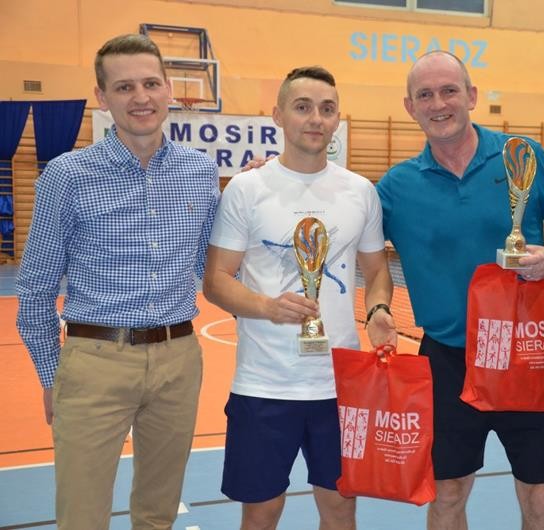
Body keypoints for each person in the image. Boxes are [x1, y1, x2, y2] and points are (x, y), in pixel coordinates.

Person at [15, 34, 219, 529]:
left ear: (169, 89)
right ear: (102, 97)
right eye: (124, 87)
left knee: (157, 515)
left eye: (151, 83)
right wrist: (52, 377)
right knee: (82, 517)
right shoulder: (67, 175)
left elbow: (209, 266)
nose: (141, 97)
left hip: (178, 360)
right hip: (94, 364)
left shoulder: (200, 171)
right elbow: (35, 290)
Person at [376, 51, 544, 530]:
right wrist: (271, 174)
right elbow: (345, 230)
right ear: (410, 107)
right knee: (447, 494)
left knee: (541, 494)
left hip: (527, 357)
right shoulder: (395, 187)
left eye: (449, 91)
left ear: (471, 96)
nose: (439, 104)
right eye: (425, 95)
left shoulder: (521, 156)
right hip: (447, 362)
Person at [203, 66, 395, 530]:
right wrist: (268, 308)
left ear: (337, 119)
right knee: (262, 512)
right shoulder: (247, 189)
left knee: (340, 508)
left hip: (340, 384)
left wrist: (378, 309)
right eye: (303, 107)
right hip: (264, 385)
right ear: (278, 116)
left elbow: (377, 272)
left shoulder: (360, 192)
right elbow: (216, 280)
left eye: (327, 109)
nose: (316, 119)